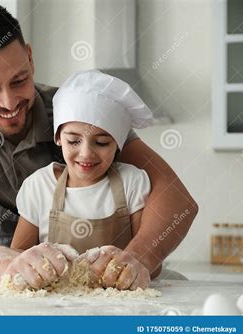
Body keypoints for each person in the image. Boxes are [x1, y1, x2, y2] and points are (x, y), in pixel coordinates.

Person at [0, 2, 198, 289]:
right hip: (2, 288)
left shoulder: (78, 111)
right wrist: (10, 264)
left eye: (19, 80)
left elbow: (177, 200)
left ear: (29, 57)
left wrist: (138, 258)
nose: (10, 102)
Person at [8, 70, 153, 290]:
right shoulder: (39, 186)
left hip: (118, 304)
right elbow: (18, 256)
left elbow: (151, 261)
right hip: (56, 304)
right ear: (58, 137)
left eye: (102, 143)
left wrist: (131, 266)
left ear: (119, 144)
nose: (86, 153)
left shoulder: (132, 183)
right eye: (74, 141)